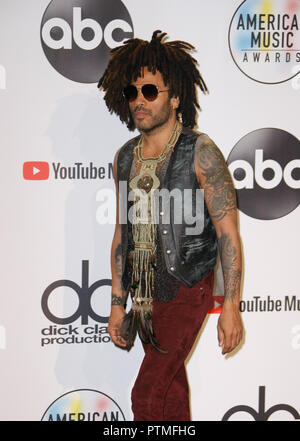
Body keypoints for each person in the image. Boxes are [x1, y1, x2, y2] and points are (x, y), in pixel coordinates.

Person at [98, 30, 243, 421]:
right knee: (170, 396)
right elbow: (121, 233)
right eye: (131, 93)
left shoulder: (201, 151)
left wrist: (230, 305)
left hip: (186, 287)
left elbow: (228, 233)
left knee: (146, 396)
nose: (139, 102)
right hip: (145, 294)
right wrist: (117, 302)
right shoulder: (124, 158)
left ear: (175, 96)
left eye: (149, 91)